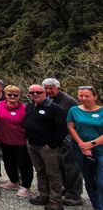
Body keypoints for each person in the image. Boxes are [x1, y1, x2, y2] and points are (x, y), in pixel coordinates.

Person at [25, 84, 66, 209]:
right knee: (40, 171)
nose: (35, 94)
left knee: (53, 173)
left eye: (38, 92)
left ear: (45, 93)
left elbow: (61, 130)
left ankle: (55, 200)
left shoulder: (54, 109)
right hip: (32, 145)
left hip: (48, 147)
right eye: (32, 92)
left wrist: (51, 145)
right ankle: (43, 195)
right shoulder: (30, 106)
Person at [44, 78, 84, 206]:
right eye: (46, 88)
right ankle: (66, 189)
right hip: (56, 137)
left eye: (51, 88)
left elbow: (77, 121)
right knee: (60, 165)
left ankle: (74, 195)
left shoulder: (69, 102)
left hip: (69, 137)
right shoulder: (48, 100)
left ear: (58, 88)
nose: (48, 91)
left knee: (72, 167)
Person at [67, 86, 103, 210]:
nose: (83, 98)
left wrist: (92, 144)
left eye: (87, 95)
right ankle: (97, 206)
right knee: (89, 181)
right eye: (81, 95)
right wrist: (82, 145)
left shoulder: (102, 111)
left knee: (101, 182)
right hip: (81, 151)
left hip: (101, 151)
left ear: (95, 97)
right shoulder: (74, 110)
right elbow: (71, 127)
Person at [0, 85, 33, 197]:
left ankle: (26, 186)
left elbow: (29, 125)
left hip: (21, 141)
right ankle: (14, 181)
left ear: (19, 96)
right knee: (8, 162)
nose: (12, 96)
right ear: (5, 95)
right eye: (9, 94)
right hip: (5, 140)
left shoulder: (25, 108)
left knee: (24, 164)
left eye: (15, 95)